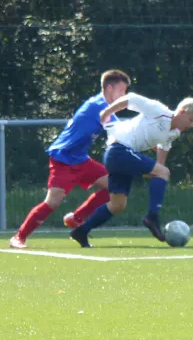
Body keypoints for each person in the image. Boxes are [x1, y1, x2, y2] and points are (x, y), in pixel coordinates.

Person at [9, 69, 131, 249]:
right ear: (110, 88)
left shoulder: (104, 107)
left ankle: (76, 219)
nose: (124, 95)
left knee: (114, 185)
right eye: (121, 90)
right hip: (63, 159)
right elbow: (121, 130)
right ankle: (18, 238)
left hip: (81, 160)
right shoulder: (99, 105)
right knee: (52, 202)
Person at [69, 92, 193, 247]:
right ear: (182, 112)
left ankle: (81, 231)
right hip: (119, 150)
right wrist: (107, 112)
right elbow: (132, 98)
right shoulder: (159, 111)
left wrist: (158, 171)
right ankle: (152, 217)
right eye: (191, 120)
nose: (192, 125)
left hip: (120, 156)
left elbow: (163, 147)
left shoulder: (174, 132)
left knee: (117, 205)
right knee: (163, 172)